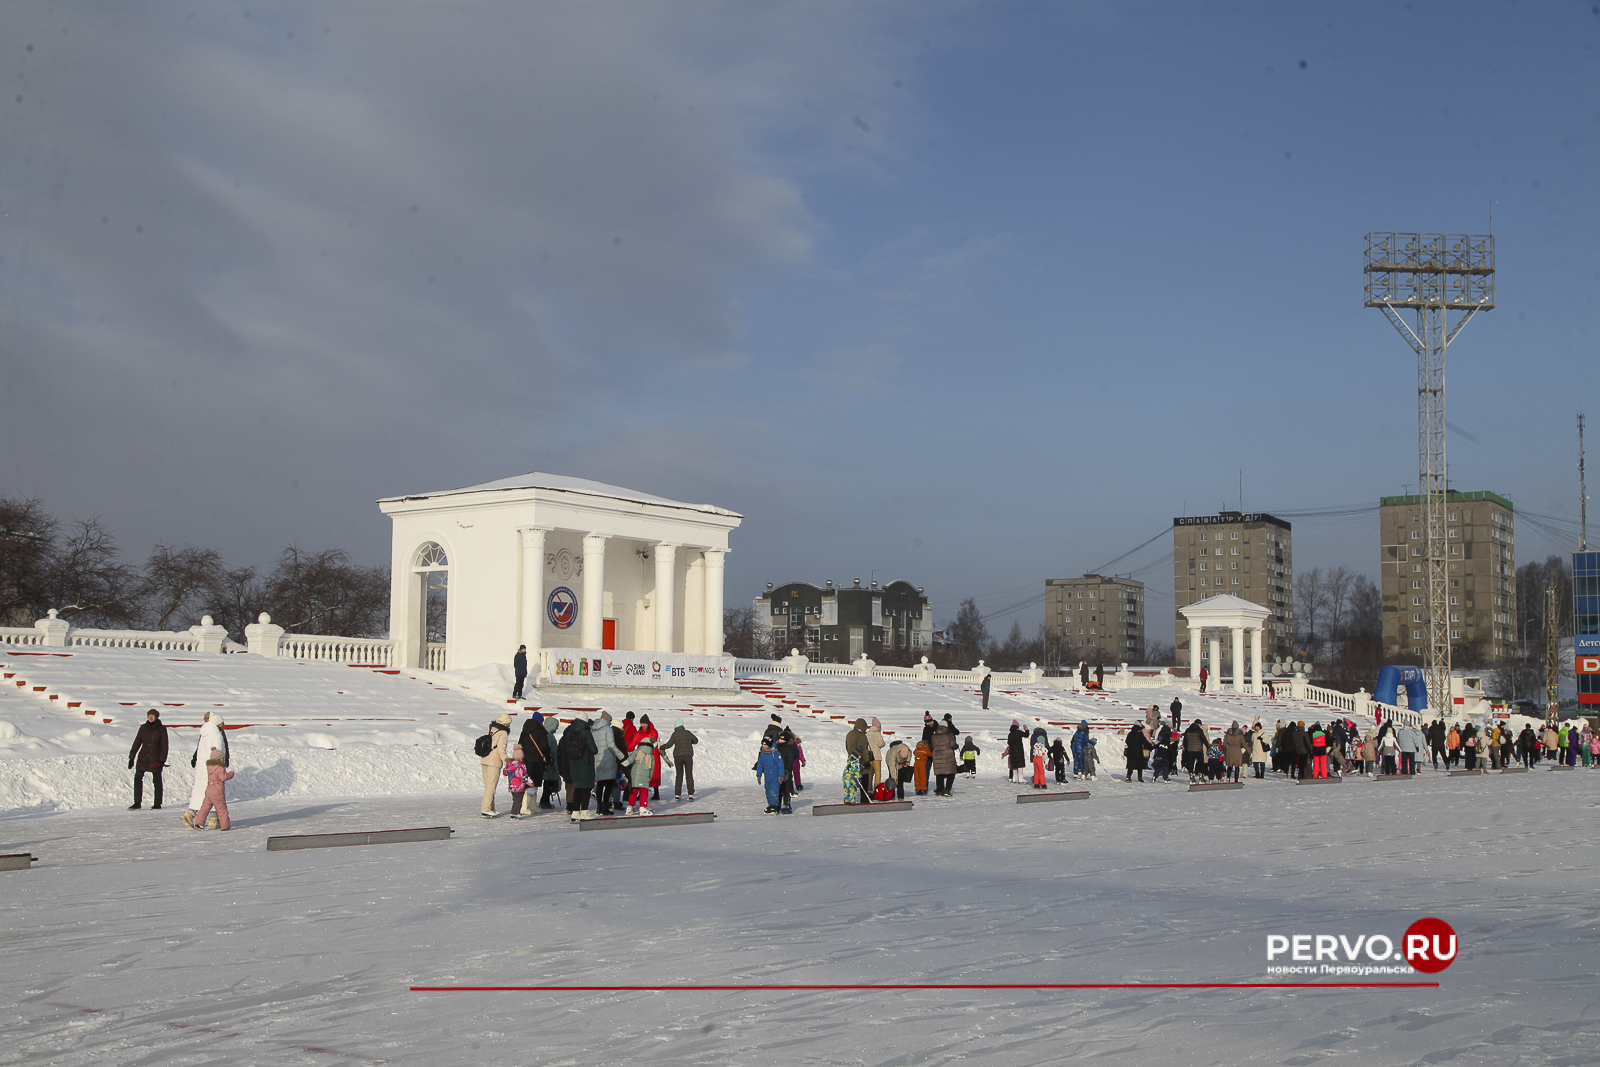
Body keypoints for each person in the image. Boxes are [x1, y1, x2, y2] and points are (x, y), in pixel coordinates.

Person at [182, 711, 229, 829]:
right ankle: (209, 819)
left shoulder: (205, 734)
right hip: (213, 769)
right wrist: (221, 765)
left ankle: (196, 814)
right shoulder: (217, 735)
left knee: (202, 792)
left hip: (203, 768)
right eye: (222, 723)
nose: (223, 725)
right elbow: (217, 752)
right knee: (215, 793)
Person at [558, 715, 598, 821]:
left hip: (574, 764)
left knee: (577, 789)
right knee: (586, 789)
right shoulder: (586, 732)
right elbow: (594, 750)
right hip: (586, 765)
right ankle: (584, 812)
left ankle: (575, 813)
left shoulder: (570, 732)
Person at [128, 708, 168, 810]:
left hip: (155, 759)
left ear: (156, 717)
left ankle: (157, 803)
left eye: (153, 716)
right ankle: (137, 802)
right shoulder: (143, 728)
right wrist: (131, 757)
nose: (150, 717)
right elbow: (137, 742)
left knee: (157, 781)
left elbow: (164, 746)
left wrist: (161, 760)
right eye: (149, 716)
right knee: (137, 778)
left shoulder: (162, 729)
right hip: (143, 758)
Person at [191, 747, 234, 831]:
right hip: (217, 790)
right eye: (222, 758)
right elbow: (223, 777)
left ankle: (199, 823)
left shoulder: (210, 767)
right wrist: (231, 774)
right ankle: (225, 825)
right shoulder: (219, 768)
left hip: (209, 789)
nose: (223, 759)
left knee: (205, 807)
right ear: (218, 759)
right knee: (221, 808)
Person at [590, 711, 625, 816]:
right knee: (609, 784)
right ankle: (605, 807)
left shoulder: (594, 730)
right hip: (608, 759)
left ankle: (599, 807)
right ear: (607, 720)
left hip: (598, 760)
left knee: (600, 784)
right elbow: (611, 745)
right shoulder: (607, 729)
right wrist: (621, 756)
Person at [478, 713, 512, 818]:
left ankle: (491, 807)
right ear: (506, 723)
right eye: (509, 723)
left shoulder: (491, 729)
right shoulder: (503, 733)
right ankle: (486, 809)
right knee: (491, 787)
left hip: (484, 759)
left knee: (488, 786)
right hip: (494, 762)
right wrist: (507, 762)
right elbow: (501, 750)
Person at [518, 713, 553, 807]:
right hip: (537, 760)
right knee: (534, 782)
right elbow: (544, 746)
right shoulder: (540, 731)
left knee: (528, 782)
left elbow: (520, 744)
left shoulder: (524, 731)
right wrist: (548, 755)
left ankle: (532, 805)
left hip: (525, 759)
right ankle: (526, 806)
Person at [622, 736, 659, 815]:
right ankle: (643, 807)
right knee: (644, 792)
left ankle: (630, 807)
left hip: (635, 775)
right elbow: (652, 768)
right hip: (645, 776)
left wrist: (624, 763)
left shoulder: (637, 752)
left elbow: (630, 759)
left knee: (633, 791)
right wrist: (650, 777)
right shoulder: (651, 756)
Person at [666, 719, 699, 800]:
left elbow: (669, 744)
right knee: (689, 775)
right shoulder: (688, 733)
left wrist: (661, 747)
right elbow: (696, 741)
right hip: (688, 756)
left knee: (679, 775)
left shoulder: (674, 734)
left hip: (678, 757)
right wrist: (689, 741)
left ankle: (677, 794)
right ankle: (691, 794)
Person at [844, 718, 872, 804]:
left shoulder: (849, 734)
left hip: (852, 761)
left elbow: (847, 747)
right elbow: (864, 749)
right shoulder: (861, 735)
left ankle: (849, 798)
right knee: (864, 781)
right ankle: (864, 800)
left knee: (851, 781)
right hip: (861, 761)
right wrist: (867, 761)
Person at [754, 736, 786, 814]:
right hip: (767, 775)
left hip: (775, 775)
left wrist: (781, 775)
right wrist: (759, 774)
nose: (764, 746)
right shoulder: (762, 753)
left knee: (774, 790)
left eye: (766, 744)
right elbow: (760, 764)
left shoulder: (775, 753)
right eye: (763, 744)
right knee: (768, 790)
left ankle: (774, 805)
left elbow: (780, 764)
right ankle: (770, 805)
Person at [504, 745, 532, 818]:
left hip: (512, 786)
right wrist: (529, 783)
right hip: (520, 786)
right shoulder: (521, 765)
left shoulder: (509, 764)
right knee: (518, 800)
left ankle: (516, 812)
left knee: (515, 799)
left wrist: (507, 767)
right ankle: (514, 813)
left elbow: (505, 772)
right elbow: (524, 776)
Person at [930, 723, 958, 796]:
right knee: (951, 773)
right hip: (948, 756)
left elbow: (931, 746)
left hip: (937, 757)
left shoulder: (934, 736)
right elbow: (953, 745)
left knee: (939, 774)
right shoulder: (950, 735)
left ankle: (940, 790)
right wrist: (956, 746)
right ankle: (948, 790)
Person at [866, 718, 886, 792]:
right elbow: (881, 743)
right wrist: (883, 744)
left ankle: (869, 788)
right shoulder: (877, 733)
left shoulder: (868, 733)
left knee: (870, 773)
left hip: (869, 756)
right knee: (877, 773)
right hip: (876, 756)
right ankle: (876, 788)